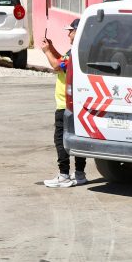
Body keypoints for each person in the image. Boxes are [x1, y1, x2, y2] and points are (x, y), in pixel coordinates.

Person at [42, 19, 86, 187]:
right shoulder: (77, 50)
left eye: (71, 31)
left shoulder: (76, 51)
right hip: (76, 103)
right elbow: (62, 59)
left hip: (66, 104)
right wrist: (51, 47)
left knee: (60, 139)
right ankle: (80, 173)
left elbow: (57, 65)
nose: (68, 34)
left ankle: (64, 175)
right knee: (78, 137)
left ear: (78, 31)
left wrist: (46, 52)